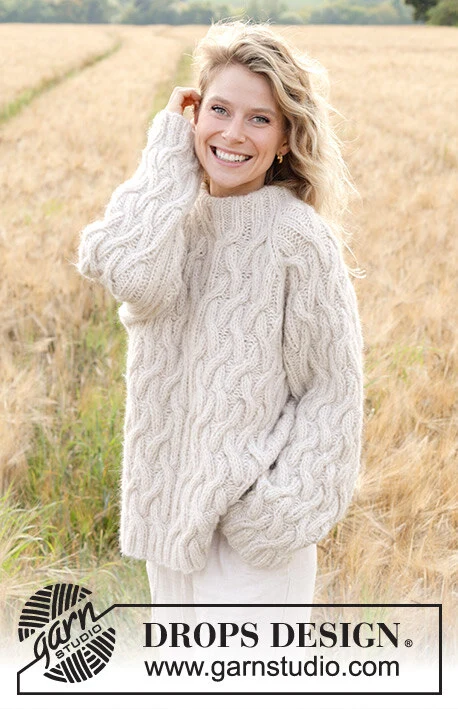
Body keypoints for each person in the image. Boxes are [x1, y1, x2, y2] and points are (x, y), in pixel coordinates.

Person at [74, 20, 364, 660]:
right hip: (168, 527)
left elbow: (332, 390)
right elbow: (128, 272)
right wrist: (167, 157)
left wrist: (272, 518)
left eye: (260, 119)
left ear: (285, 139)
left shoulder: (298, 238)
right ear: (193, 114)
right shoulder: (171, 218)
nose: (233, 134)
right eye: (219, 110)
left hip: (251, 540)